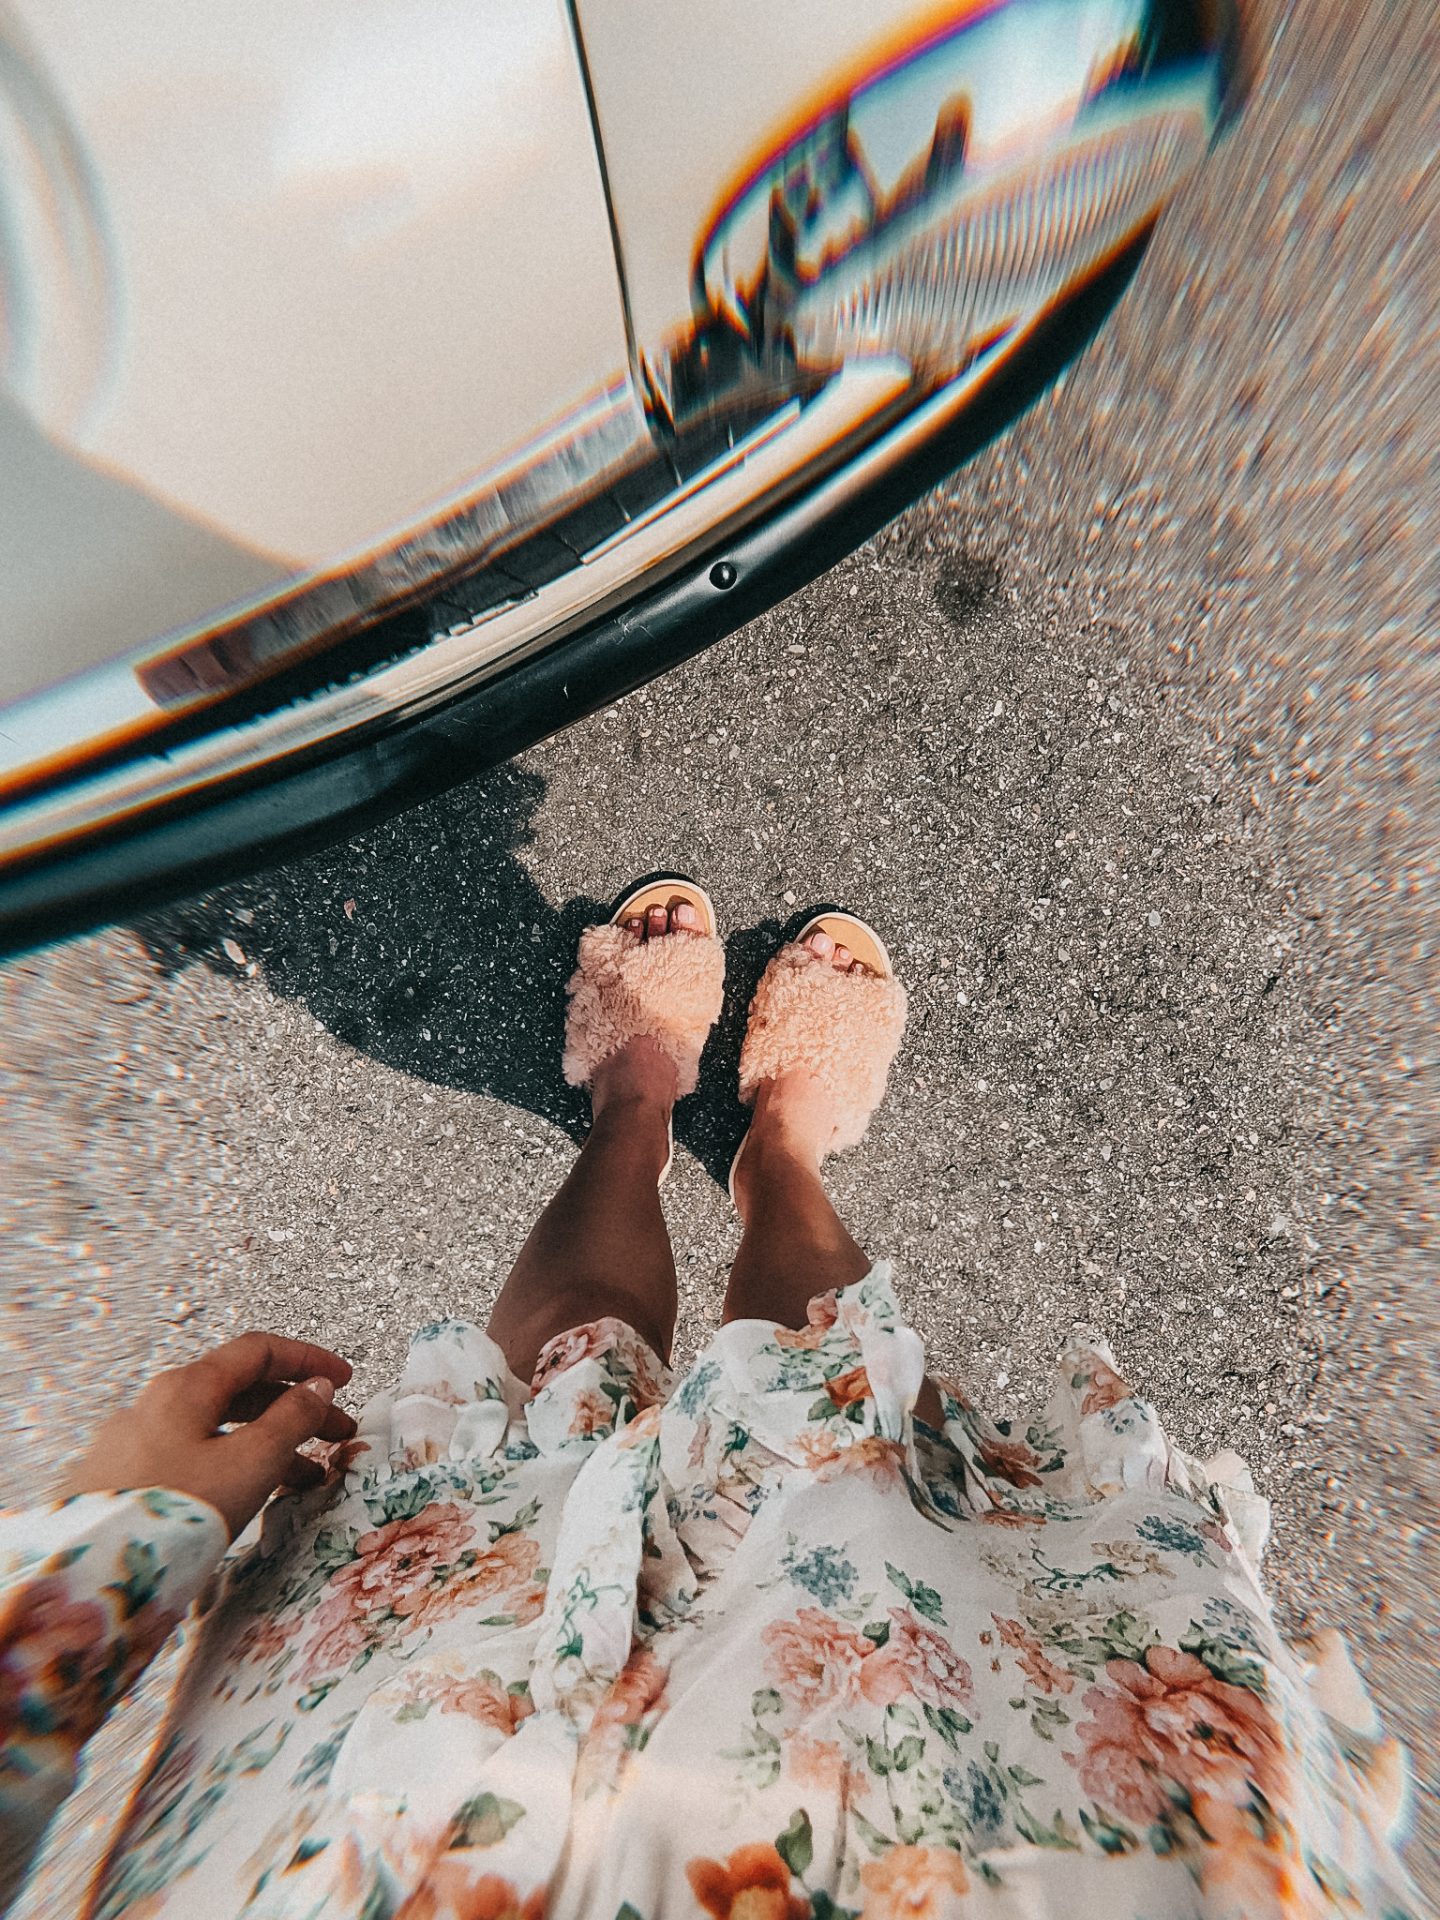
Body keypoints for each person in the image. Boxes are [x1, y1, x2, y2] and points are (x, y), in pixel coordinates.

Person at [0, 880, 1417, 1920]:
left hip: (370, 1823)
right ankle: (775, 1147)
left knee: (560, 1399)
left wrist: (106, 1561)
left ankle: (641, 1114)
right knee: (840, 1428)